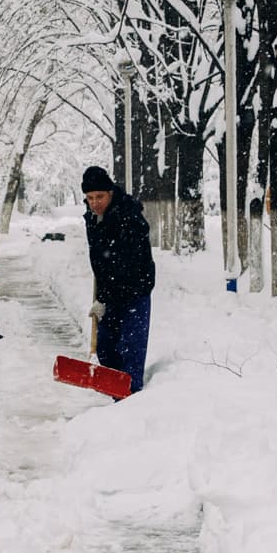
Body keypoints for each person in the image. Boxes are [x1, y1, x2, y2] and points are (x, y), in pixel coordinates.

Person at [81, 164, 154, 395]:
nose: (95, 202)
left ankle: (131, 402)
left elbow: (125, 263)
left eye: (100, 196)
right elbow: (101, 263)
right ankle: (118, 402)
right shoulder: (93, 219)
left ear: (110, 192)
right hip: (111, 294)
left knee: (130, 351)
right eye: (90, 197)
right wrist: (102, 298)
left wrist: (107, 296)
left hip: (134, 293)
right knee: (106, 349)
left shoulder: (128, 216)